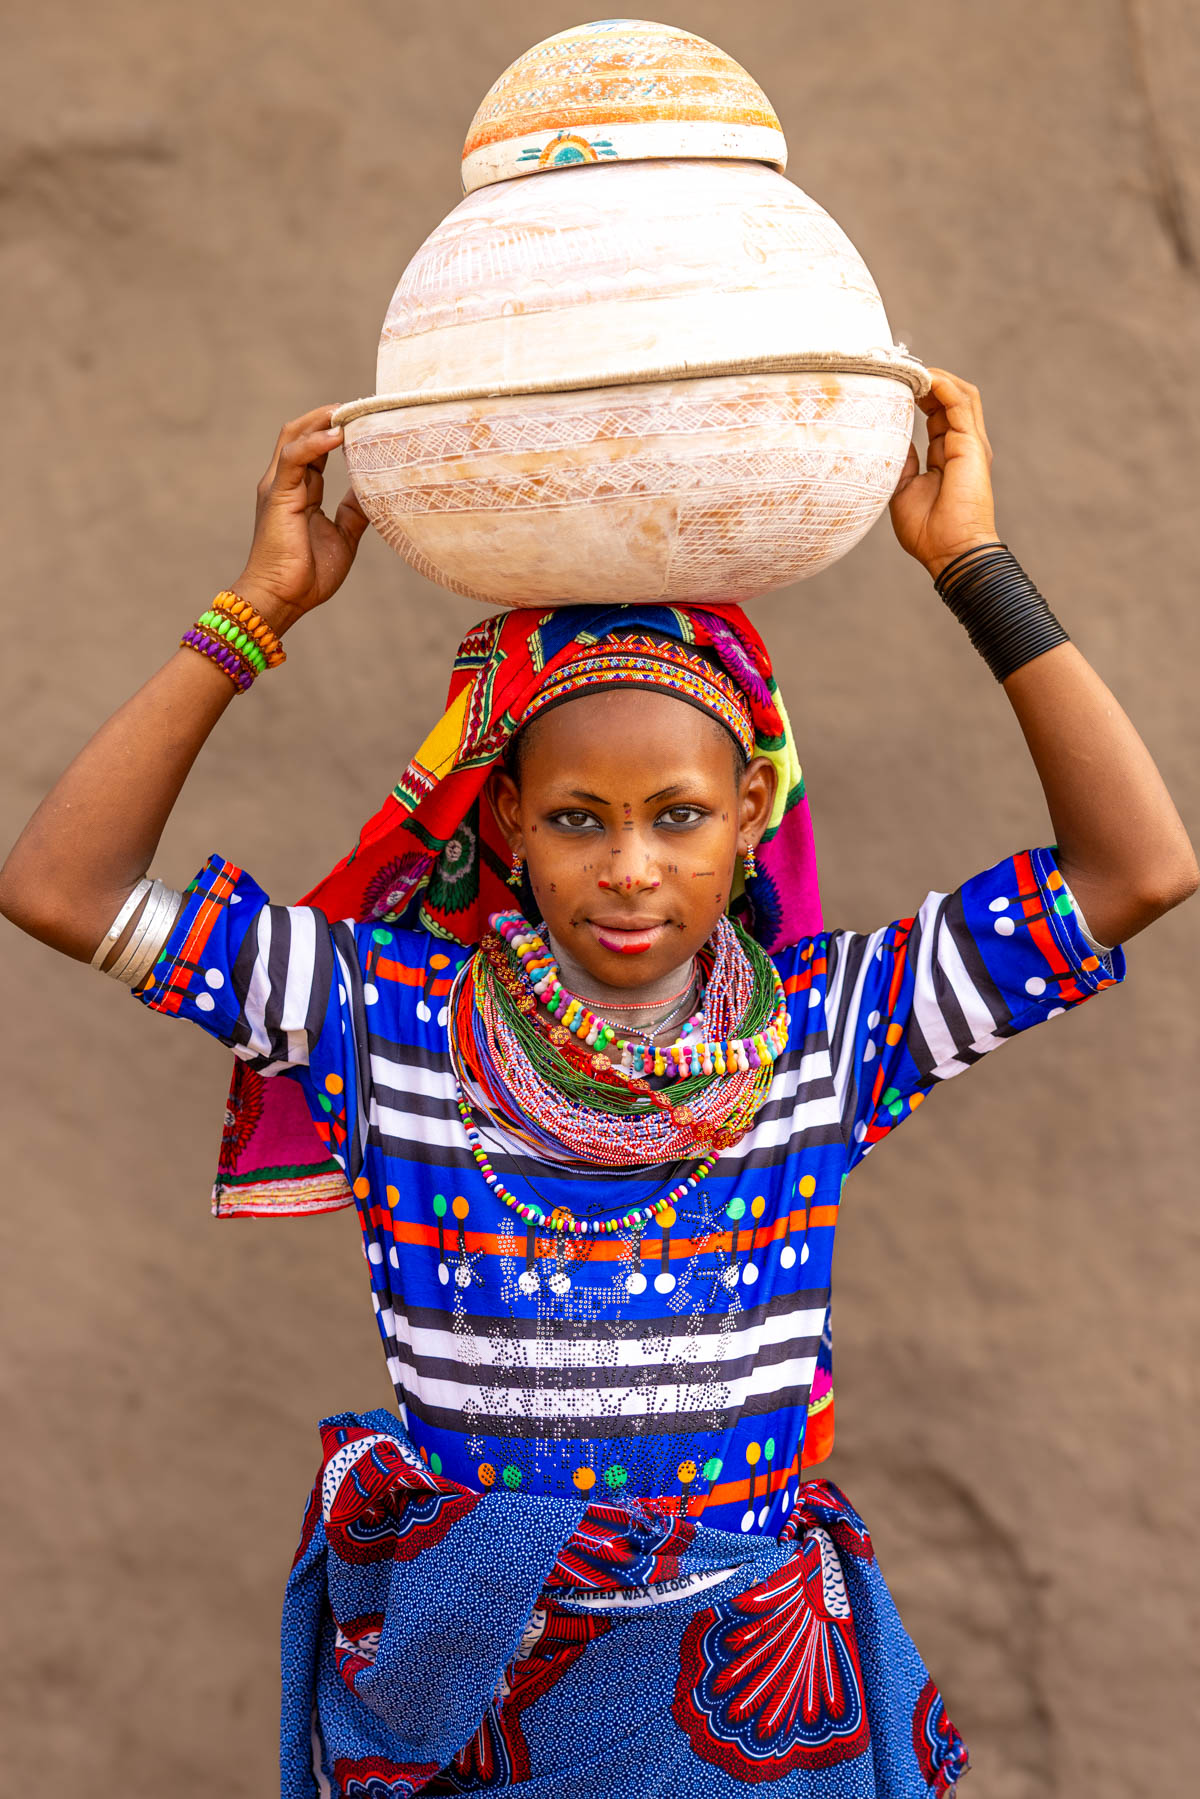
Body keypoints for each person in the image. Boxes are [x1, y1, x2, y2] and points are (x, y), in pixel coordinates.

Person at [1, 370, 1194, 1798]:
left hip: (750, 1724)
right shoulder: (384, 1030)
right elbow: (63, 887)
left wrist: (975, 567)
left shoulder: (826, 1037)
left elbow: (1140, 870)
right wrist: (257, 610)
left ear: (751, 814)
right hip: (470, 1713)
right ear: (506, 817)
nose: (631, 869)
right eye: (578, 819)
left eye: (678, 817)